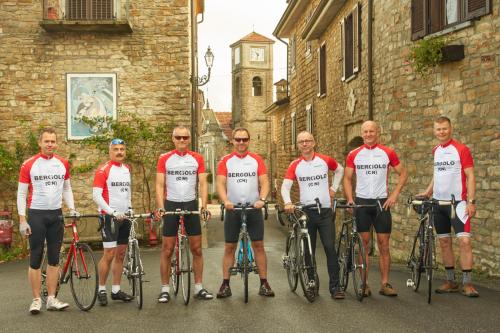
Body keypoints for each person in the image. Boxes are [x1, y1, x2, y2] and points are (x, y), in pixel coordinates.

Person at [343, 121, 408, 297]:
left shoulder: (387, 152)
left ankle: (385, 284)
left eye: (372, 131)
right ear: (362, 134)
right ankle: (363, 284)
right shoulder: (354, 154)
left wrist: (394, 195)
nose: (368, 134)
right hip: (362, 202)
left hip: (381, 203)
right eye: (365, 131)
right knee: (364, 244)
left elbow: (403, 173)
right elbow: (347, 178)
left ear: (378, 132)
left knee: (384, 244)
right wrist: (350, 200)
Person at [17, 127, 77, 314]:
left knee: (53, 258)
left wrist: (72, 208)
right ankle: (36, 300)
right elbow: (21, 193)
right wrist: (22, 219)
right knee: (35, 258)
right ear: (40, 143)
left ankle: (51, 298)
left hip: (56, 215)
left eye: (53, 141)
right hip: (36, 215)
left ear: (56, 143)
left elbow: (67, 189)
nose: (50, 144)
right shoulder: (29, 164)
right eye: (46, 141)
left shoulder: (63, 163)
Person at [419, 116, 479, 297]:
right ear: (434, 131)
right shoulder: (435, 150)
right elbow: (437, 175)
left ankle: (467, 284)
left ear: (450, 129)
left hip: (458, 204)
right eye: (438, 129)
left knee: (465, 241)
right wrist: (427, 192)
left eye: (444, 128)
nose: (441, 132)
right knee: (444, 242)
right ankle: (450, 281)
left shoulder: (461, 149)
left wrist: (471, 201)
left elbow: (470, 176)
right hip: (438, 204)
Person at [281, 131, 345, 299]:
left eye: (308, 141)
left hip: (324, 211)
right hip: (306, 213)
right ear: (298, 145)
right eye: (301, 141)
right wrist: (287, 202)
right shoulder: (295, 165)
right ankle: (311, 284)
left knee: (330, 248)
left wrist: (333, 189)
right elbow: (285, 186)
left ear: (314, 143)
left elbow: (340, 170)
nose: (305, 144)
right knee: (308, 251)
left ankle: (335, 287)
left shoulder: (324, 160)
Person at [154, 126, 212, 302]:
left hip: (190, 202)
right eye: (178, 137)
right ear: (173, 139)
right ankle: (165, 289)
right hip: (171, 202)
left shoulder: (196, 158)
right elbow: (159, 184)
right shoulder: (164, 158)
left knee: (196, 249)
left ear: (189, 139)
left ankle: (199, 287)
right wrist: (161, 206)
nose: (182, 140)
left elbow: (203, 184)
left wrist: (204, 206)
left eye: (185, 137)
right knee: (167, 248)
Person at [216, 127, 274, 298]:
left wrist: (262, 200)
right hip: (233, 209)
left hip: (253, 208)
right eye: (238, 140)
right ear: (232, 141)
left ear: (249, 141)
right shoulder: (226, 161)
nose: (241, 143)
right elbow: (220, 183)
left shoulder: (257, 160)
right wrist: (225, 201)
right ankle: (225, 284)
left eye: (244, 139)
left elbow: (264, 182)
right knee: (229, 247)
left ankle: (264, 283)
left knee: (259, 246)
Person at [92, 138, 133, 306]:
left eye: (122, 149)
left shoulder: (127, 169)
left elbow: (127, 192)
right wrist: (112, 212)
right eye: (116, 149)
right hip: (109, 216)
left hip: (125, 217)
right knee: (109, 254)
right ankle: (101, 288)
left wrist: (130, 207)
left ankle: (116, 290)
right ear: (110, 151)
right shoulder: (103, 170)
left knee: (121, 254)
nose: (119, 152)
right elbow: (96, 196)